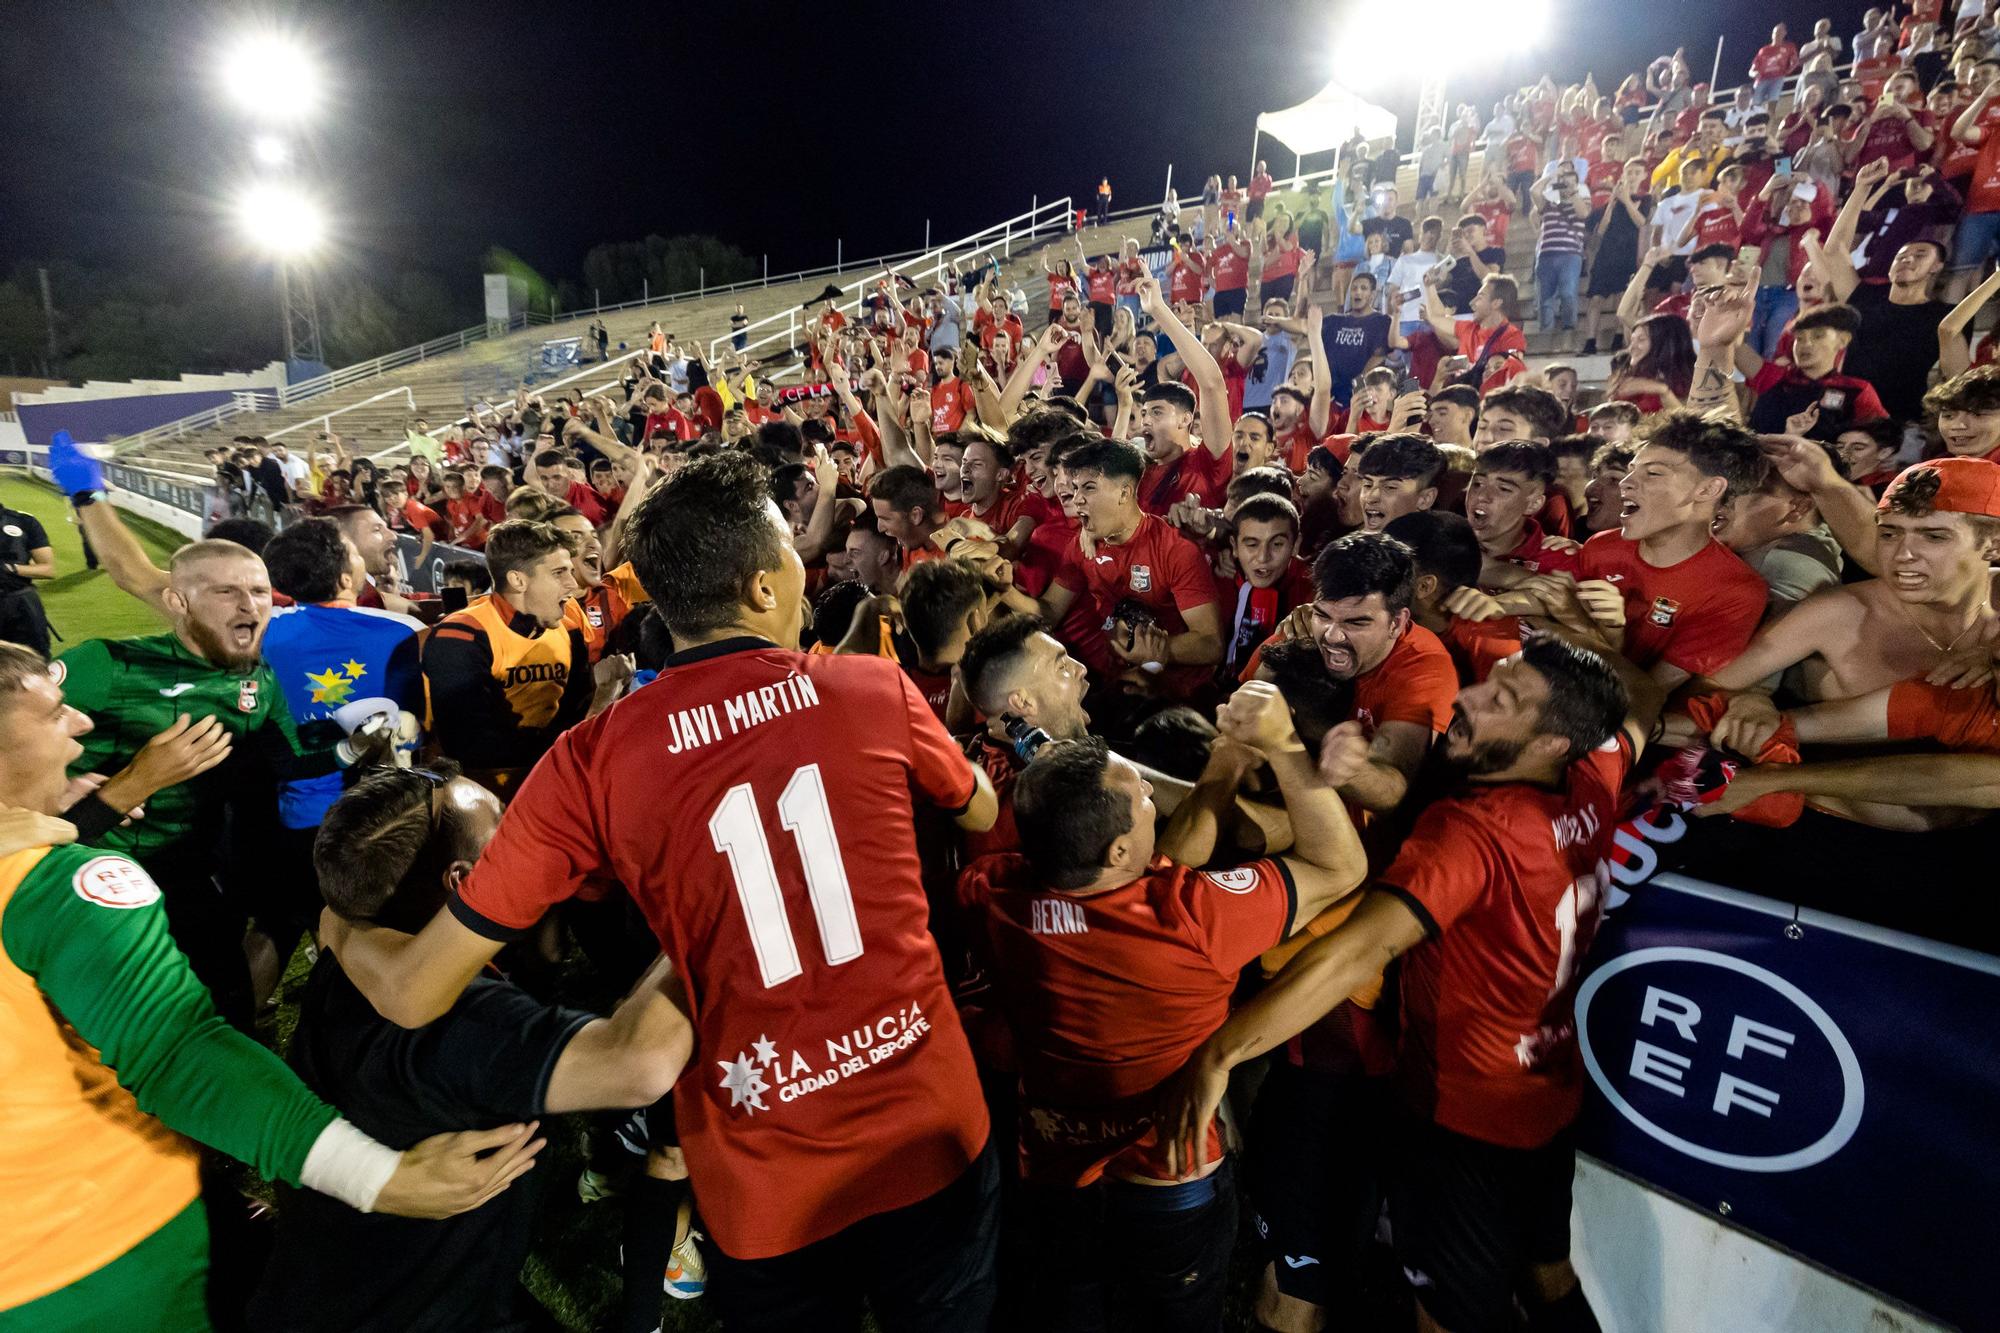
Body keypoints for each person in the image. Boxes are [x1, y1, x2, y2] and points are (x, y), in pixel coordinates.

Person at [319, 452, 1005, 1331]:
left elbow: (414, 992)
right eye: (794, 554)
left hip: (761, 1164)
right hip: (929, 1120)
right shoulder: (871, 686)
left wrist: (340, 928)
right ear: (763, 586)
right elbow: (978, 807)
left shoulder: (587, 761)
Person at [0, 642, 545, 1329]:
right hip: (94, 1257)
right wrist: (378, 1176)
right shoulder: (59, 886)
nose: (80, 723)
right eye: (53, 712)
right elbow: (176, 1051)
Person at [1156, 636, 1663, 1333]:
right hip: (1546, 1097)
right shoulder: (1593, 777)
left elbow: (1349, 956)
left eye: (1500, 701)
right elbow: (1640, 704)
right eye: (1489, 682)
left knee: (1447, 1317)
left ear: (1549, 742)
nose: (1468, 698)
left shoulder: (1472, 834)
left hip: (1460, 1121)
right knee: (1548, 1274)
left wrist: (1218, 1056)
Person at [958, 681, 1367, 1330]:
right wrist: (1284, 746)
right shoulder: (1194, 920)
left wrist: (1226, 763)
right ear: (1119, 852)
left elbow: (1155, 868)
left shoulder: (993, 893)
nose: (1154, 795)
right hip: (1170, 1178)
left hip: (1055, 1170)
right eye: (1143, 795)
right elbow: (1340, 865)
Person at [248, 764, 696, 1333]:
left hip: (329, 1284)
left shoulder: (357, 952)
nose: (521, 842)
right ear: (461, 881)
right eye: (504, 837)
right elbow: (641, 1062)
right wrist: (707, 903)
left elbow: (335, 917)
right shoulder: (464, 1022)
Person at [1574, 412, 1769, 689]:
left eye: (1652, 473)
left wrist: (1613, 635)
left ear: (1708, 489)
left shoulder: (1734, 592)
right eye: (1631, 469)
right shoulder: (1601, 547)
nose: (1625, 482)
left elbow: (1651, 695)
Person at [421, 520, 596, 777]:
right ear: (518, 580)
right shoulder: (461, 635)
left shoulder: (569, 629)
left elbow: (577, 717)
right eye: (559, 573)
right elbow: (473, 747)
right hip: (482, 792)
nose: (573, 584)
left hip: (552, 774)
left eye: (571, 571)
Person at [0, 497, 54, 654]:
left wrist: (10, 568)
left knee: (34, 663)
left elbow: (48, 569)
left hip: (22, 607)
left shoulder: (24, 521)